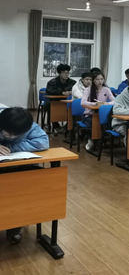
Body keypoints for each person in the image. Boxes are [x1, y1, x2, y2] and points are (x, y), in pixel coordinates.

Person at [0, 105, 49, 245]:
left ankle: (15, 225)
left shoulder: (28, 125)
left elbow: (43, 142)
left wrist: (11, 147)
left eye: (15, 135)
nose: (11, 137)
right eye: (7, 134)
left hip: (16, 167)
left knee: (23, 188)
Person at [81, 71, 115, 152]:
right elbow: (83, 102)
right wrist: (95, 104)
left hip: (102, 115)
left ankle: (100, 141)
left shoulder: (106, 89)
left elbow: (115, 101)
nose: (100, 81)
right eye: (97, 79)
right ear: (93, 80)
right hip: (89, 115)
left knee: (108, 124)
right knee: (95, 124)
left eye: (102, 79)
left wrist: (106, 103)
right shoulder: (88, 90)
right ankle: (92, 140)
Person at [46, 64, 76, 134]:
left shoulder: (73, 82)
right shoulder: (52, 82)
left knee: (74, 107)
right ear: (59, 73)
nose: (66, 74)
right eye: (63, 72)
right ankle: (56, 126)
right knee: (50, 107)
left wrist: (71, 92)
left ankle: (68, 127)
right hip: (54, 101)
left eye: (67, 73)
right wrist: (62, 93)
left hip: (68, 101)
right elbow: (49, 91)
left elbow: (77, 91)